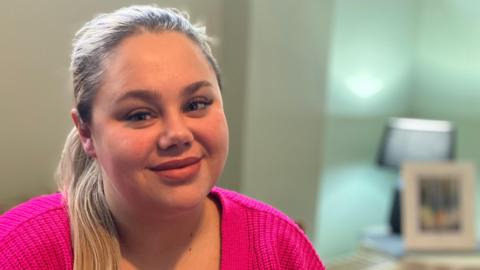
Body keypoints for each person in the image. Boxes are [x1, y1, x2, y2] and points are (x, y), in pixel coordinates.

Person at [0, 5, 324, 270]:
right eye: (139, 114)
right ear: (86, 132)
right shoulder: (19, 249)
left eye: (196, 104)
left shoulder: (279, 247)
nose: (177, 135)